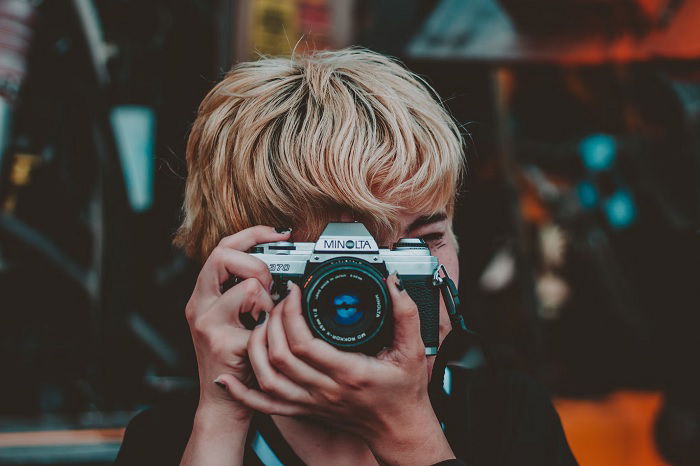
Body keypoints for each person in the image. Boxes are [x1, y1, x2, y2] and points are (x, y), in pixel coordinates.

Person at [116, 48, 577, 466]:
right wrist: (221, 417)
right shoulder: (171, 440)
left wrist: (408, 433)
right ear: (240, 272)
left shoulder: (508, 418)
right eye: (330, 264)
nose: (376, 289)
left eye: (422, 241)